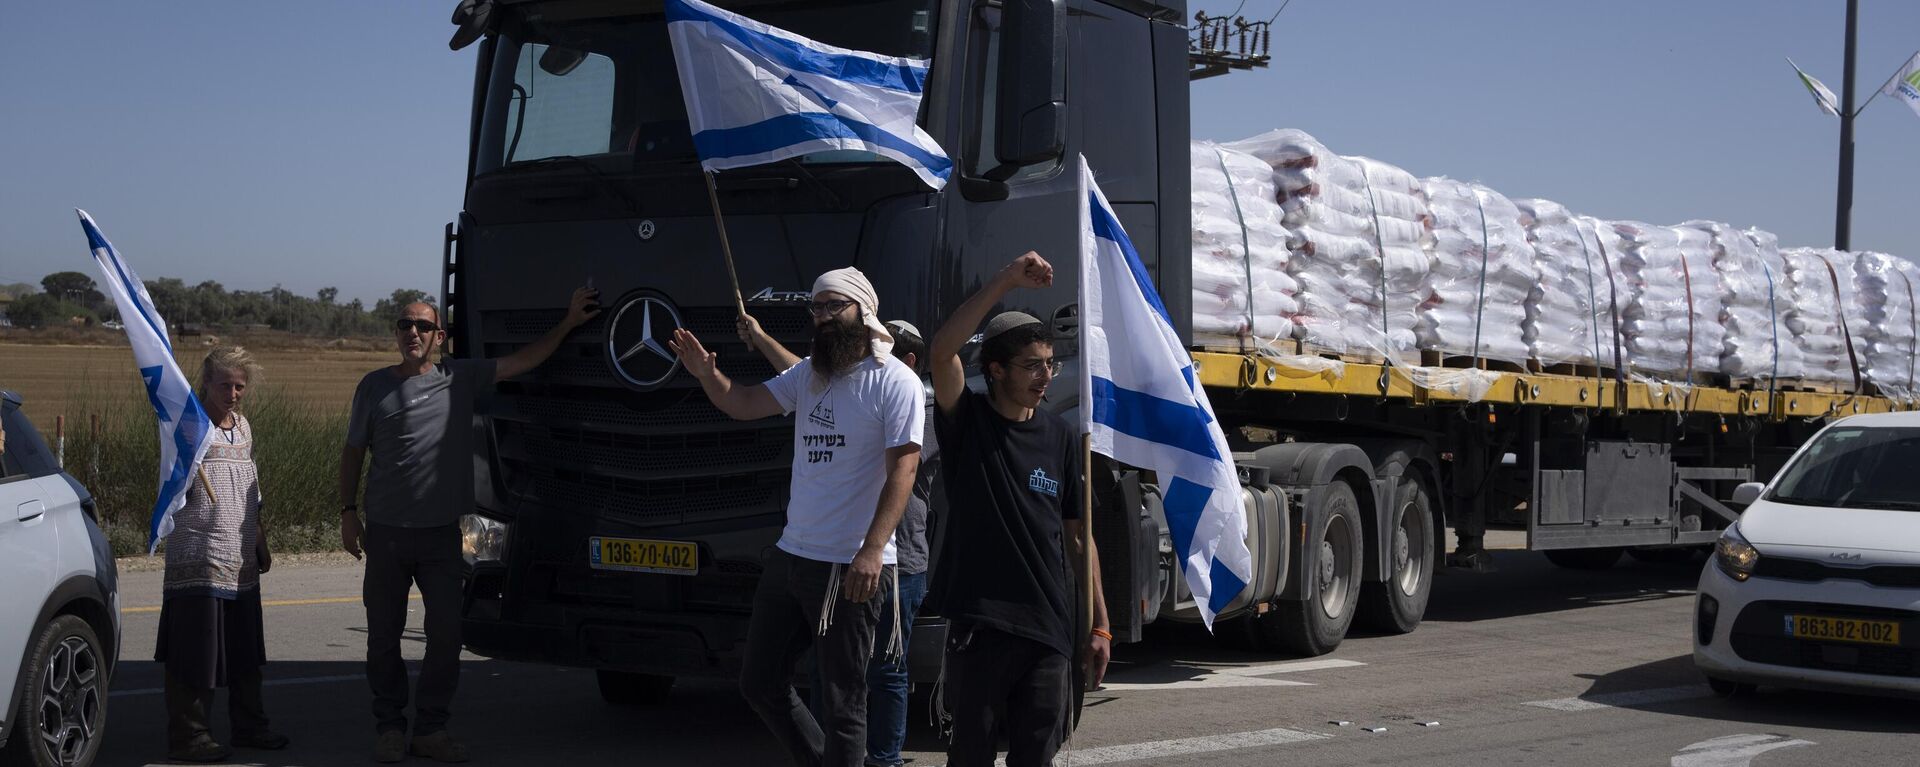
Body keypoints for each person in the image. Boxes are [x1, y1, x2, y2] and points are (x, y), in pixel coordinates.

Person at [674, 267, 922, 767]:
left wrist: (872, 551)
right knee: (759, 683)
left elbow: (904, 473)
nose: (824, 317)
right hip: (792, 557)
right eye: (817, 308)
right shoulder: (809, 374)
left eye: (835, 306)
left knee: (843, 704)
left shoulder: (895, 380)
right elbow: (742, 403)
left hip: (849, 566)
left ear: (863, 311)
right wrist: (707, 375)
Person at [339, 288, 598, 763]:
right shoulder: (373, 386)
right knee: (382, 638)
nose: (412, 332)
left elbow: (522, 362)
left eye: (422, 326)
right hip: (388, 535)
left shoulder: (459, 378)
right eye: (404, 325)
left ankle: (430, 728)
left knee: (446, 636)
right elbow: (353, 450)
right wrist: (347, 513)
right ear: (396, 334)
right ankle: (390, 726)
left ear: (439, 336)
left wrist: (567, 324)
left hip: (441, 536)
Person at [925, 252, 1111, 767]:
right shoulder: (969, 423)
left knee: (1036, 757)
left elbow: (1079, 536)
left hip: (1048, 629)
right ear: (996, 370)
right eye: (1032, 366)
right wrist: (1005, 279)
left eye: (1050, 364)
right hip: (982, 628)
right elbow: (942, 353)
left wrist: (1099, 624)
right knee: (970, 757)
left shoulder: (1062, 435)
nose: (1046, 376)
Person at [737, 314, 937, 767]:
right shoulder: (831, 382)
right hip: (815, 557)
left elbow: (903, 470)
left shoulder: (910, 398)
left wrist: (871, 549)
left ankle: (883, 760)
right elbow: (811, 384)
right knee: (812, 679)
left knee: (878, 675)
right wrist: (762, 339)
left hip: (893, 559)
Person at [155, 345, 287, 763]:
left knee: (245, 650)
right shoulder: (188, 426)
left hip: (240, 554)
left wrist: (259, 537)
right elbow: (171, 482)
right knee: (196, 651)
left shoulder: (242, 427)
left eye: (239, 386)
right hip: (199, 553)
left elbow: (253, 487)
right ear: (207, 383)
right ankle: (190, 737)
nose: (233, 394)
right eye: (225, 385)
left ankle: (250, 727)